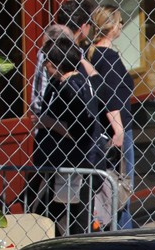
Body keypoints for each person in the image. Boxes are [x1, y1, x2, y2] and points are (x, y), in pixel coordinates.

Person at [36, 37, 104, 236]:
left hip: (76, 165)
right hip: (67, 164)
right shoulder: (71, 82)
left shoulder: (71, 88)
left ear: (56, 63)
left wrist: (48, 123)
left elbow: (80, 129)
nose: (45, 66)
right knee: (55, 212)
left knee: (74, 217)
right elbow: (98, 79)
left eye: (47, 61)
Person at [86, 4, 134, 229]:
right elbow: (111, 96)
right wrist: (119, 129)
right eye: (120, 22)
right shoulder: (109, 57)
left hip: (100, 129)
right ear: (111, 27)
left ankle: (110, 225)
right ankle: (123, 230)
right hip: (117, 128)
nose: (122, 26)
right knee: (122, 184)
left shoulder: (90, 54)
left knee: (108, 184)